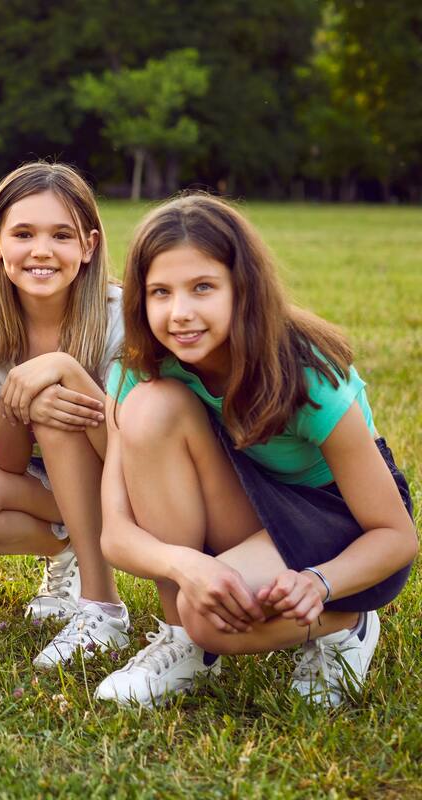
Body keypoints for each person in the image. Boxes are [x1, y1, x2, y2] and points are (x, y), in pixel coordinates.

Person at [95, 193, 416, 707]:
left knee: (211, 620)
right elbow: (116, 533)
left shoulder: (306, 375)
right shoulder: (137, 372)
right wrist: (186, 566)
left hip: (338, 517)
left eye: (202, 287)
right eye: (160, 292)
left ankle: (347, 625)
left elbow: (396, 535)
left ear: (242, 289)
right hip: (252, 498)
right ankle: (182, 643)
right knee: (154, 407)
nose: (180, 313)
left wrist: (321, 583)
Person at [0, 162, 129, 667]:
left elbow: (132, 454)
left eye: (61, 234)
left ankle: (103, 608)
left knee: (56, 408)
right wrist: (27, 403)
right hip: (43, 475)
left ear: (89, 245)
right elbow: (11, 460)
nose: (41, 250)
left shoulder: (119, 314)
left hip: (125, 471)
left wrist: (56, 380)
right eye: (23, 233)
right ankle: (67, 551)